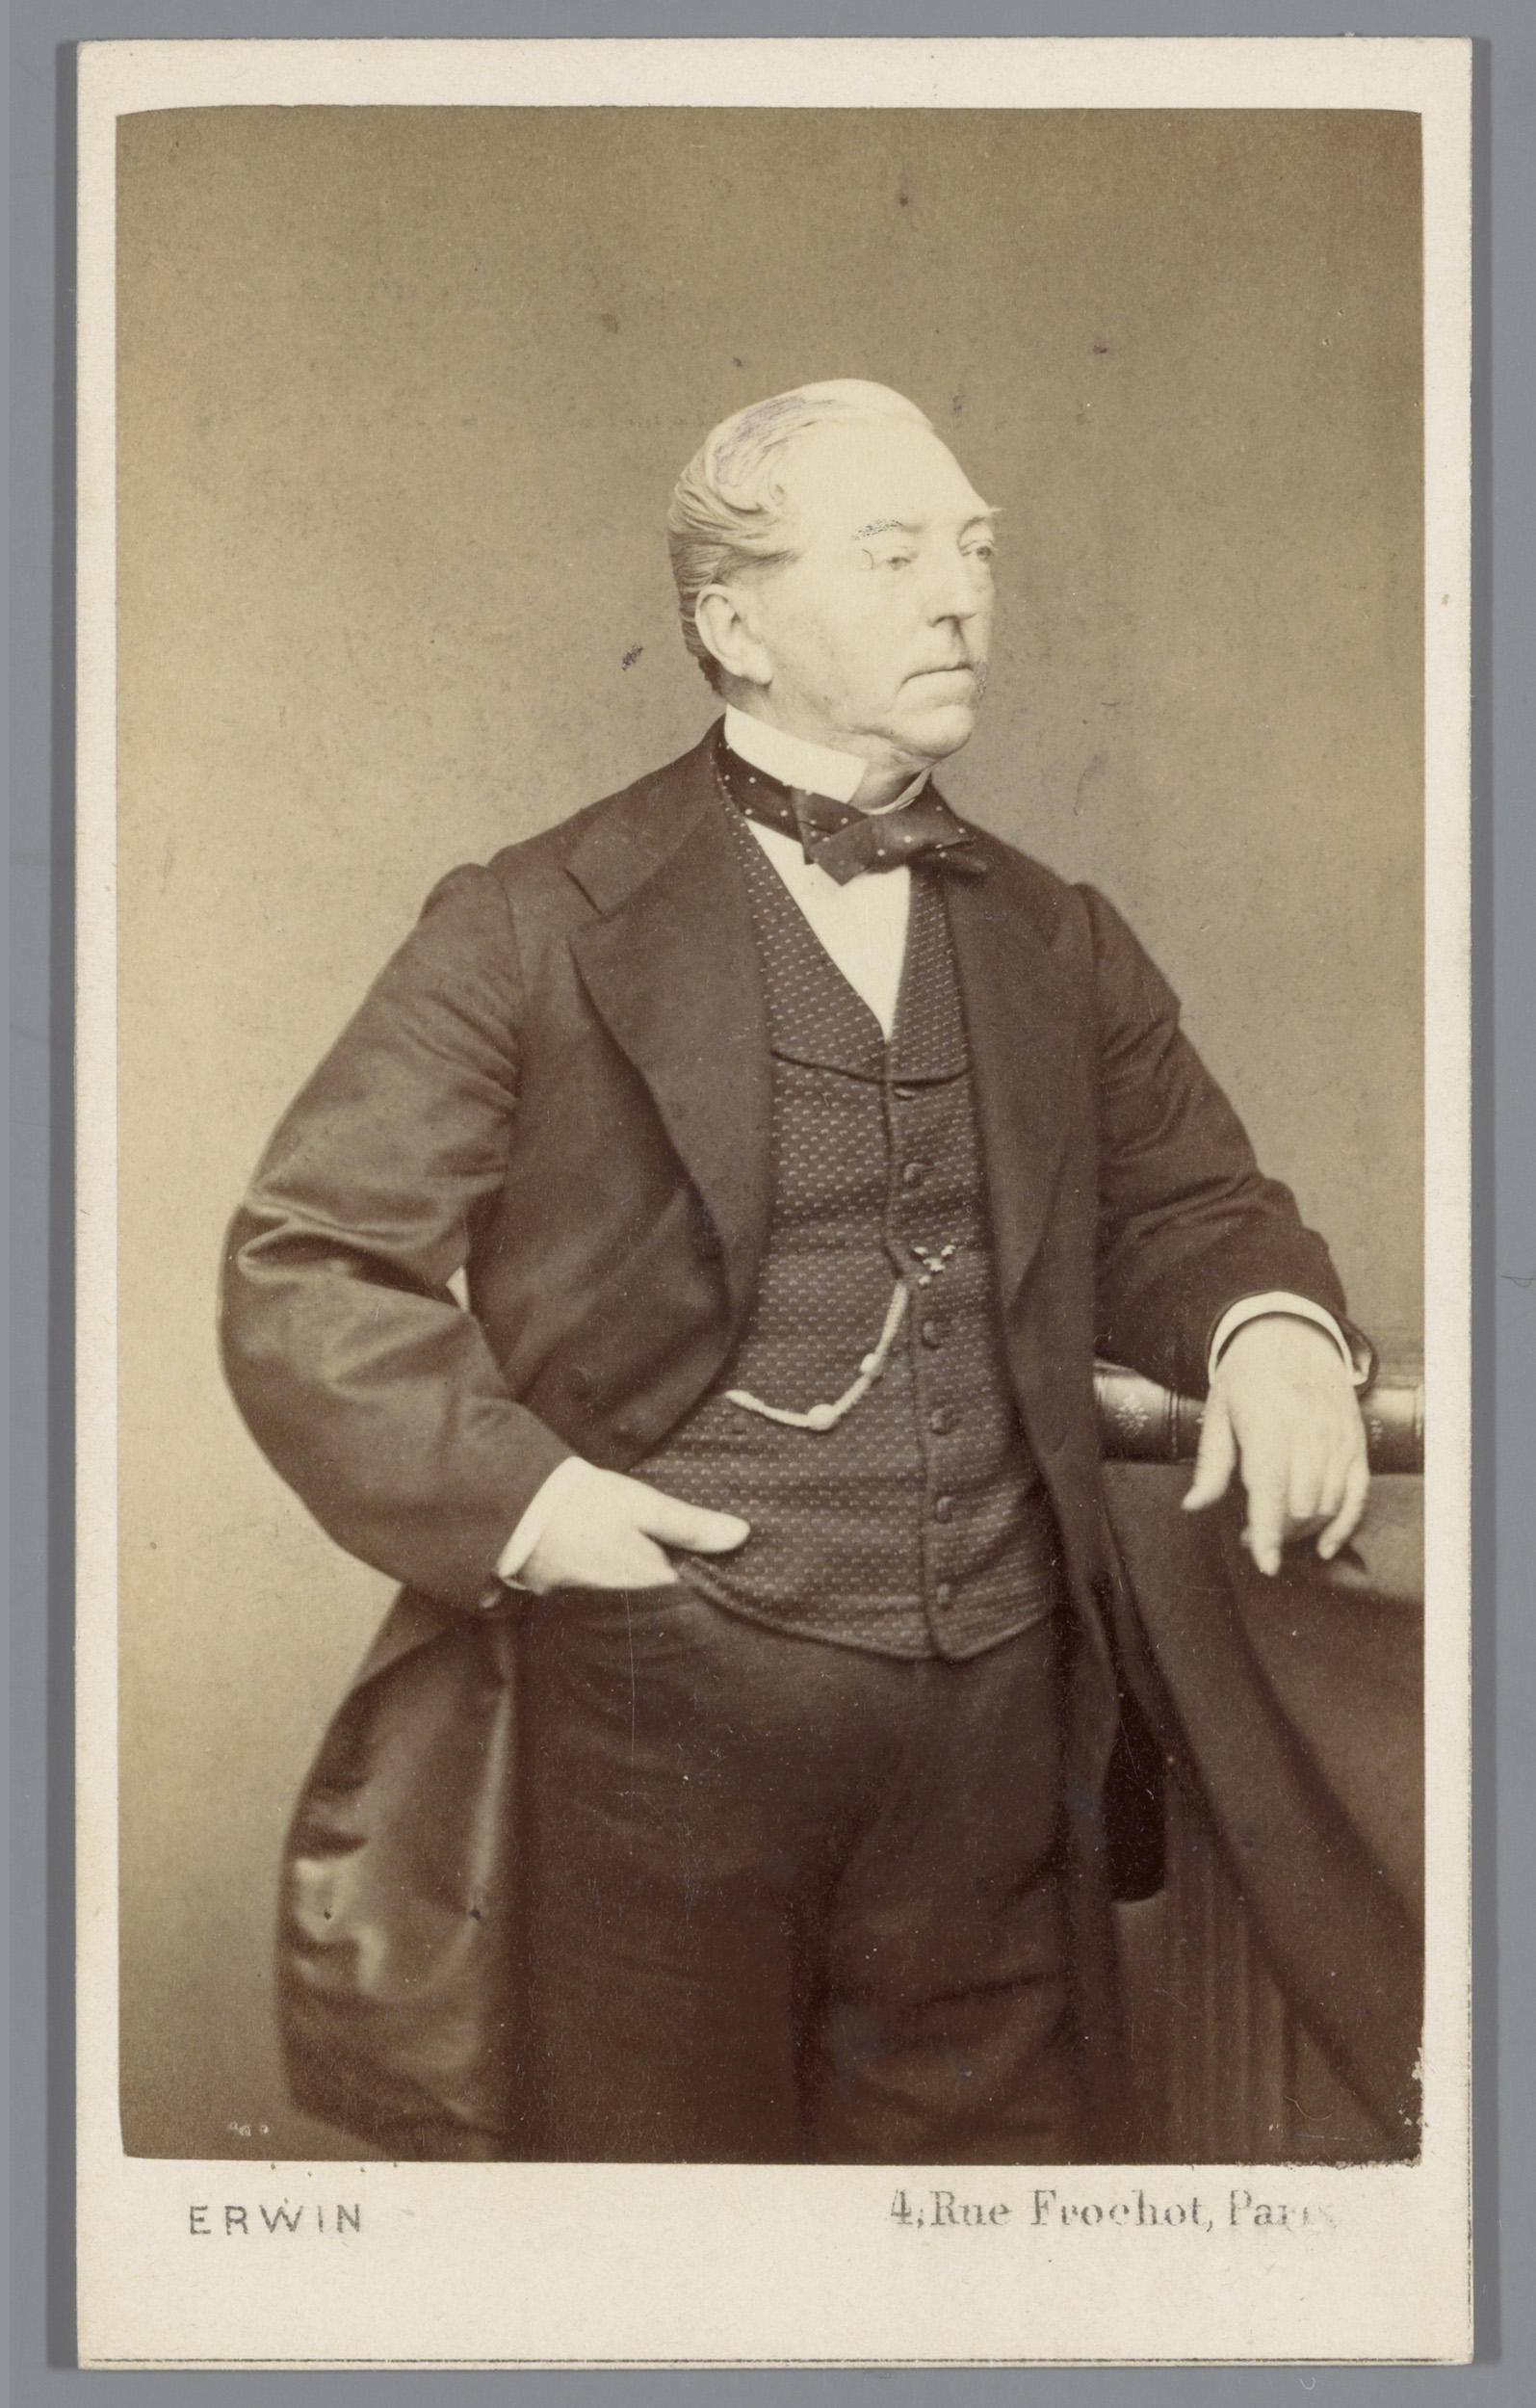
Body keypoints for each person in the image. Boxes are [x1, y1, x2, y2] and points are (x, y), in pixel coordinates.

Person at [221, 380, 1370, 2165]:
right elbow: (309, 1265)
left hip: (1004, 1734)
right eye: (894, 554)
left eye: (974, 549)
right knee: (669, 2256)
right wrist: (536, 1505)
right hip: (654, 1726)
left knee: (990, 2255)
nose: (961, 597)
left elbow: (1194, 1206)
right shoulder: (533, 922)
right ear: (734, 625)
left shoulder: (1056, 935)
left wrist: (1272, 1328)